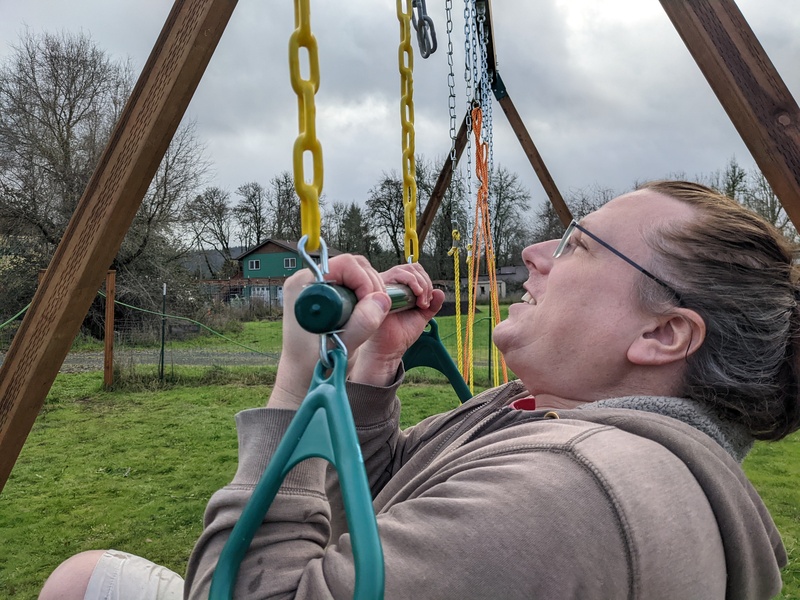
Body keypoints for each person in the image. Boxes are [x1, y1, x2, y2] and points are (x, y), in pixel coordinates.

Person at [40, 180, 797, 599]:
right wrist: (370, 372)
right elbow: (365, 523)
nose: (533, 253)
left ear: (663, 336)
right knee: (83, 580)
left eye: (576, 245)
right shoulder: (543, 410)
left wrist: (299, 373)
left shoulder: (571, 495)